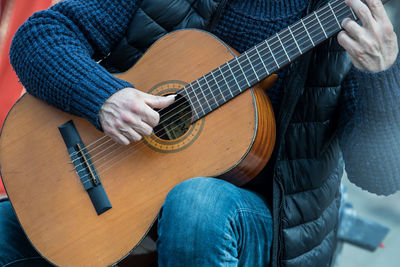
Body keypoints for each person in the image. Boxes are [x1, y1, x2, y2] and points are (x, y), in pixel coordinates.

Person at [1, 0, 399, 266]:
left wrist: (382, 73)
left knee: (195, 205)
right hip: (119, 187)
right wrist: (105, 97)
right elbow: (40, 36)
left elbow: (382, 175)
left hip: (270, 223)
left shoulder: (352, 20)